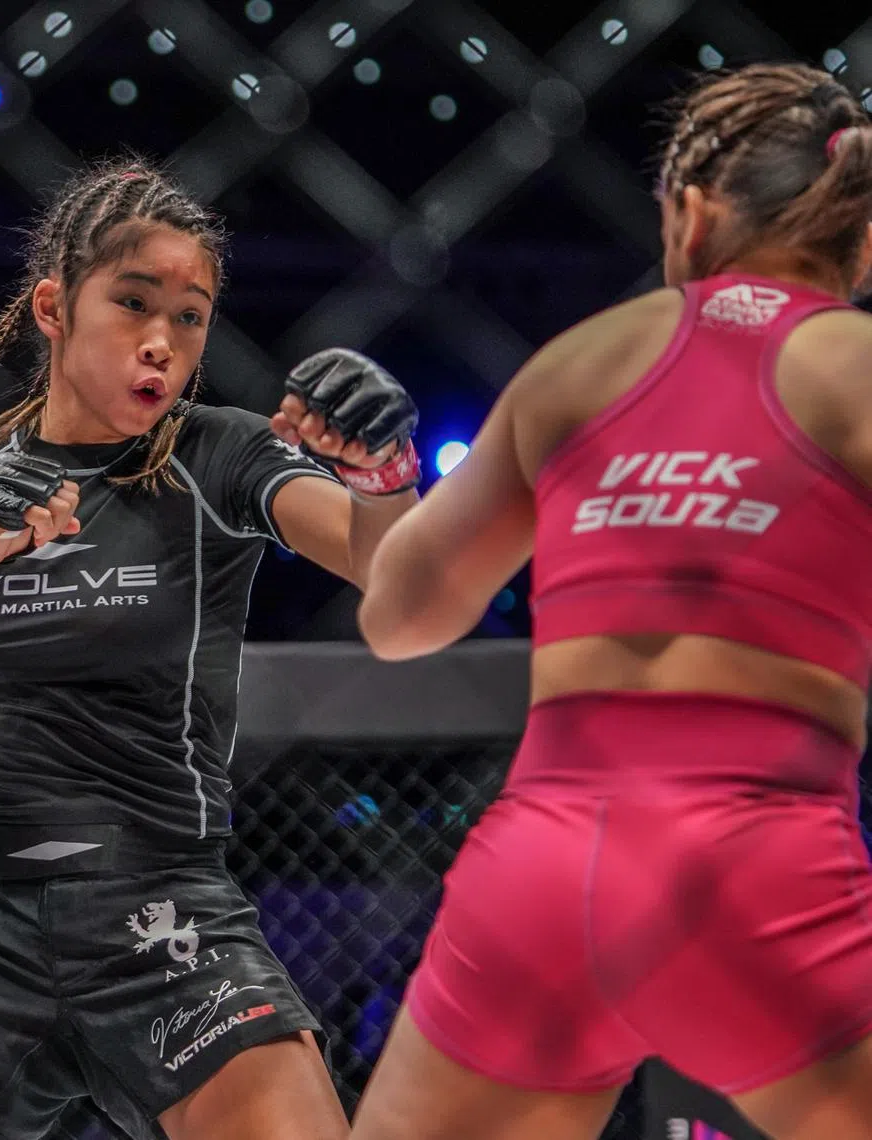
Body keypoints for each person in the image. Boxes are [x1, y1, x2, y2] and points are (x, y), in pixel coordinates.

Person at [0, 156, 421, 1140]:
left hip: (167, 917)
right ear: (52, 305)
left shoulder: (220, 454)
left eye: (191, 316)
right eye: (133, 303)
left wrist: (383, 477)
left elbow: (397, 578)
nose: (162, 343)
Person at [350, 62, 872, 1140]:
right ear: (862, 242)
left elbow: (400, 619)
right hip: (758, 866)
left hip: (538, 873)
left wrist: (374, 486)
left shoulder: (575, 366)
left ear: (688, 211)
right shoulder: (854, 366)